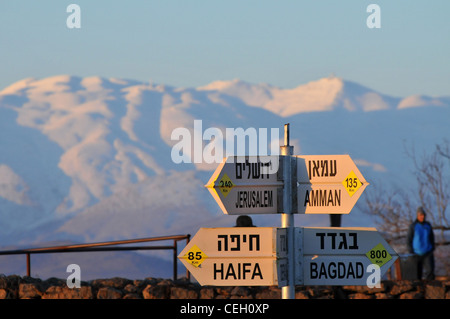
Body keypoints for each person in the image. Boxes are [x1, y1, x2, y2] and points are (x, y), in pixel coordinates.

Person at [406, 207, 435, 280]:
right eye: (421, 215)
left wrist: (432, 248)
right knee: (417, 273)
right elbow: (409, 239)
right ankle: (419, 289)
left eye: (423, 215)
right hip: (416, 253)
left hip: (427, 253)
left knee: (430, 270)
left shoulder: (428, 225)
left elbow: (431, 237)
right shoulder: (413, 226)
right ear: (417, 216)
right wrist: (411, 251)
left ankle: (430, 288)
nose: (422, 217)